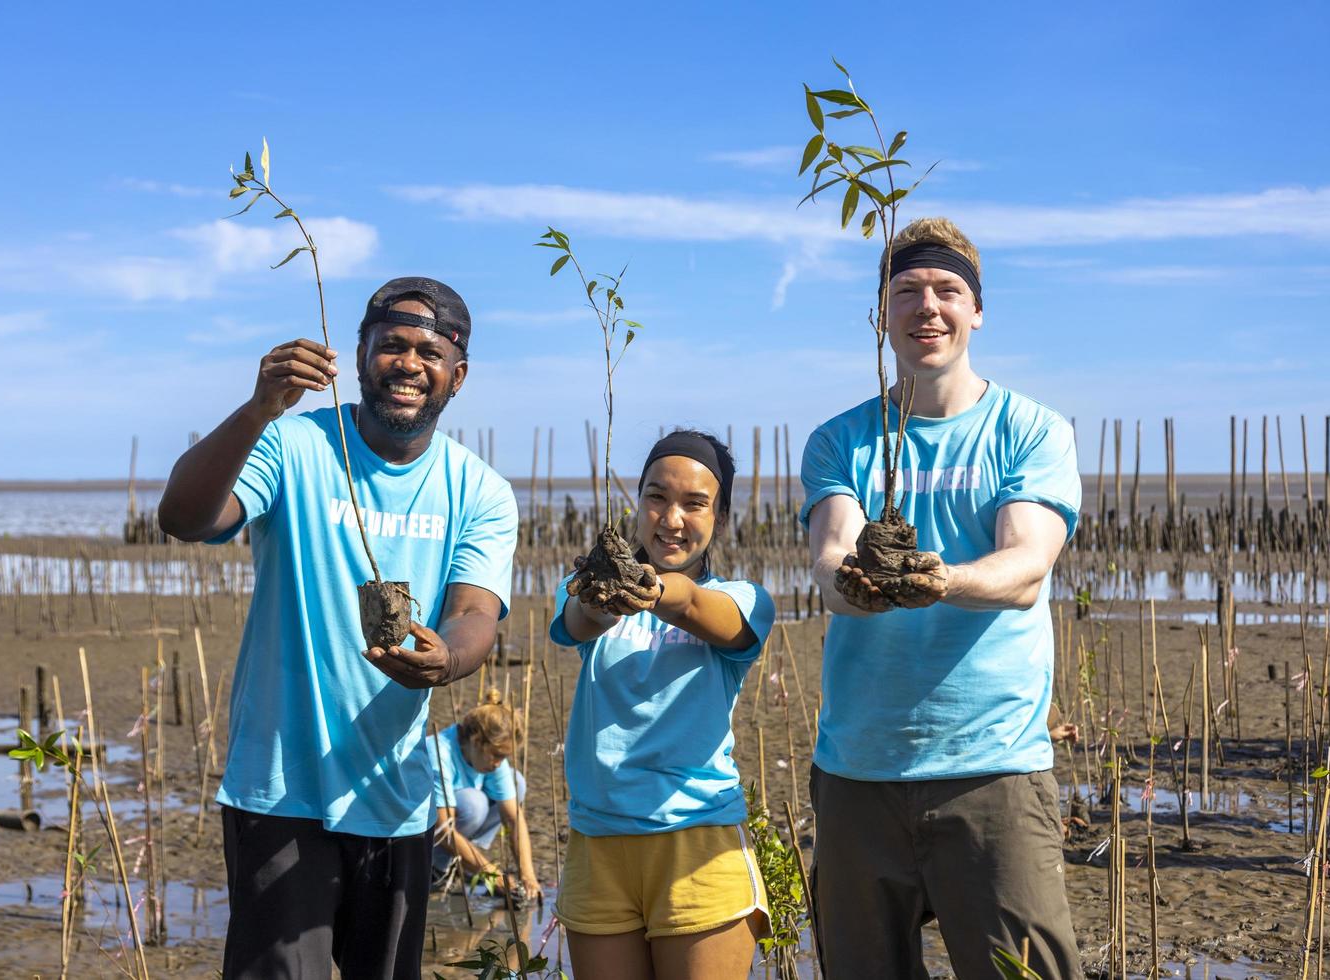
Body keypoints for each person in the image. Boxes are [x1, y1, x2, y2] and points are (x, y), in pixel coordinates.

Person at [157, 277, 518, 980]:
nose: (408, 364)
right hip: (280, 790)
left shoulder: (481, 490)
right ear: (358, 354)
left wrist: (445, 661)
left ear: (458, 375)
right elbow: (184, 517)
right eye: (390, 346)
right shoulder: (292, 444)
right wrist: (259, 408)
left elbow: (476, 614)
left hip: (398, 796)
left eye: (428, 351)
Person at [801, 216, 1084, 979]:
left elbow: (1026, 568)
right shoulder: (841, 440)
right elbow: (832, 557)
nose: (928, 307)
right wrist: (857, 586)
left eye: (947, 290)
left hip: (991, 768)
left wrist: (940, 582)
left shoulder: (1031, 430)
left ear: (977, 309)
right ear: (880, 314)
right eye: (907, 291)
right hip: (859, 770)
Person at [550, 430, 776, 980]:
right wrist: (607, 593)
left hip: (697, 842)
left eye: (695, 503)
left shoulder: (745, 600)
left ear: (720, 518)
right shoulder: (587, 589)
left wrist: (651, 589)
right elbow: (581, 620)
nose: (671, 518)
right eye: (656, 497)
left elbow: (699, 607)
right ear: (638, 502)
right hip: (596, 842)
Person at [427, 689, 540, 901]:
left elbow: (514, 819)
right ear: (477, 741)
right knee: (474, 804)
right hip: (426, 841)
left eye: (503, 757)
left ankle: (467, 865)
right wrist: (491, 874)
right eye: (496, 756)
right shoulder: (439, 753)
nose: (499, 763)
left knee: (517, 783)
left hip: (459, 832)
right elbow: (443, 830)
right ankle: (438, 870)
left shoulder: (489, 757)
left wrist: (528, 876)